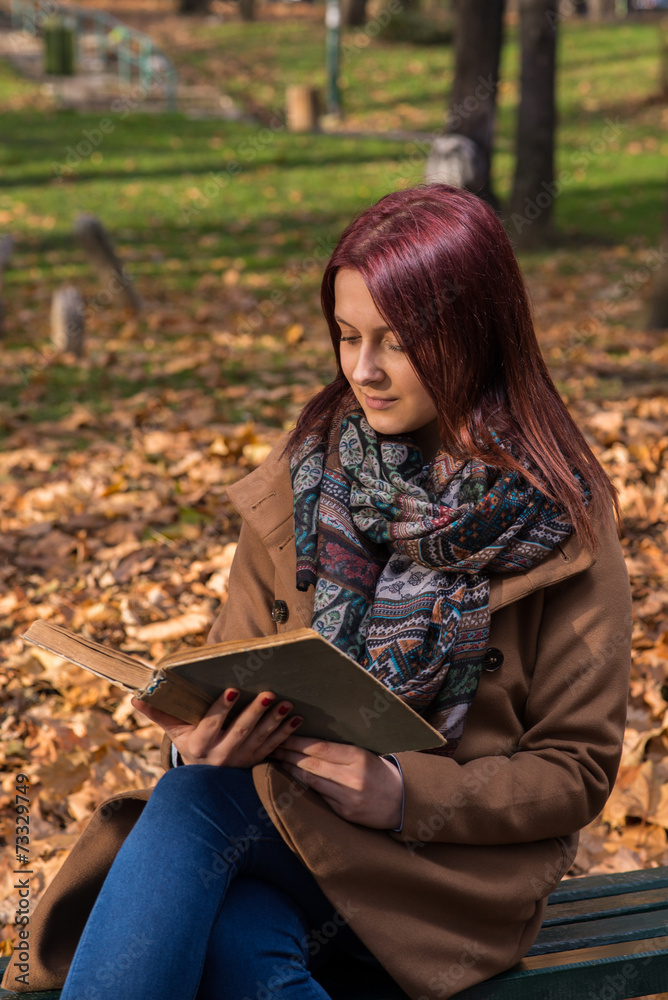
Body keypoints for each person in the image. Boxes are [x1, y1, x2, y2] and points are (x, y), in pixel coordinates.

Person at [9, 184, 632, 1000]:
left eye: (397, 343)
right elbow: (227, 663)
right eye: (346, 337)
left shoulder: (560, 515)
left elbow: (576, 771)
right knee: (229, 894)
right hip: (284, 831)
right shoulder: (306, 478)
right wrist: (194, 741)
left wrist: (405, 794)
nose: (363, 371)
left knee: (200, 816)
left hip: (444, 877)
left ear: (477, 334)